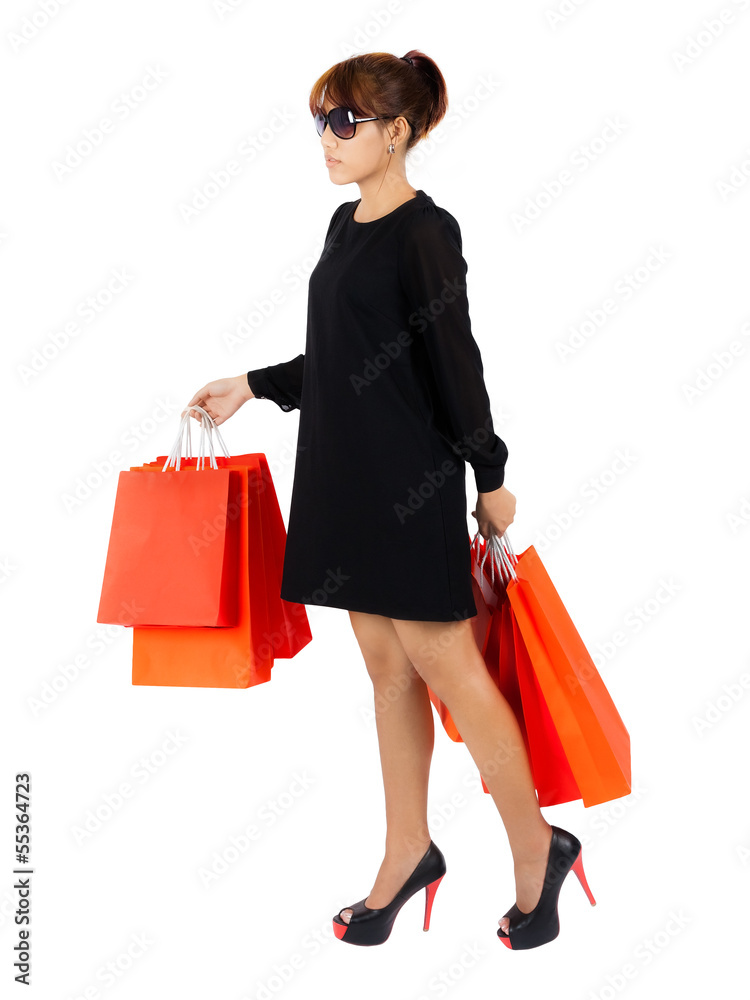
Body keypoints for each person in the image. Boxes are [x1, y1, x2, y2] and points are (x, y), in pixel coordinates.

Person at [185, 50, 594, 950]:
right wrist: (250, 384)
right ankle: (408, 850)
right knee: (386, 670)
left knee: (455, 672)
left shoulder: (423, 230)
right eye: (322, 120)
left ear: (397, 131)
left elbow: (455, 361)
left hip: (409, 489)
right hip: (343, 481)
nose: (327, 140)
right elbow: (338, 357)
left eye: (346, 122)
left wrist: (490, 475)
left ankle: (538, 848)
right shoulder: (343, 225)